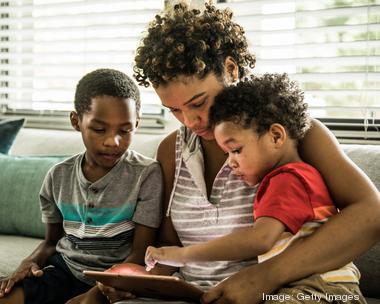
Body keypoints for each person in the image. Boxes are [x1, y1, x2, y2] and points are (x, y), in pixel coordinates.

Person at [98, 2, 380, 304]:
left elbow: (371, 215)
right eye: (175, 110)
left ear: (231, 69)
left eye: (197, 103)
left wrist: (267, 275)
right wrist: (137, 281)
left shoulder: (287, 133)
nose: (190, 122)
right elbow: (171, 251)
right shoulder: (171, 150)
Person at [144, 73, 364, 302]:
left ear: (277, 136)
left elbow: (260, 239)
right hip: (296, 287)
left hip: (322, 287)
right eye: (174, 110)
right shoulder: (281, 178)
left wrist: (185, 255)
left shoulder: (289, 180)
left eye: (236, 150)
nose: (230, 161)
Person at [0, 68, 163, 304]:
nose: (113, 141)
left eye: (125, 130)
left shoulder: (146, 174)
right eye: (99, 129)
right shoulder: (58, 176)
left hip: (115, 279)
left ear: (137, 124)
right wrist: (29, 262)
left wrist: (98, 290)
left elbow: (141, 253)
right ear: (76, 121)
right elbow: (52, 242)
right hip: (64, 271)